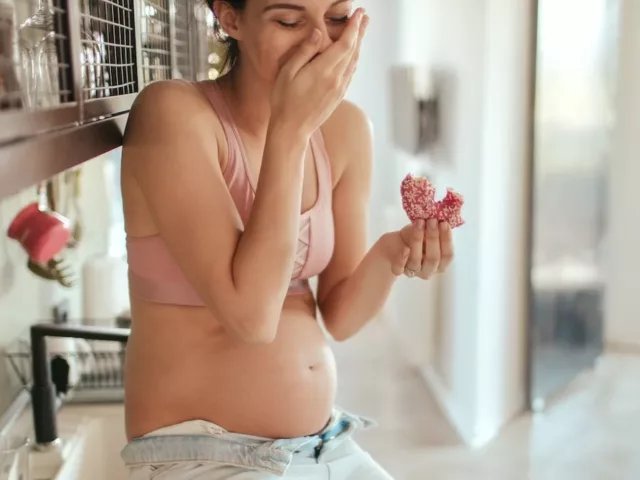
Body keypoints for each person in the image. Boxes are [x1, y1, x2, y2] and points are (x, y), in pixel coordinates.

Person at [118, 0, 455, 478]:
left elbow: (339, 316)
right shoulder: (172, 114)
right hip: (203, 453)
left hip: (324, 445)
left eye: (337, 18)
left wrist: (393, 252)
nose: (319, 41)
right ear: (230, 19)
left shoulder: (345, 129)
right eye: (289, 21)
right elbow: (252, 318)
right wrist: (291, 129)